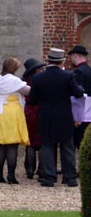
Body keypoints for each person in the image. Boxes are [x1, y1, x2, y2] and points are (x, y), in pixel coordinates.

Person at [28, 47, 84, 187]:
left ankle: (49, 177)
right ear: (62, 61)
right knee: (67, 146)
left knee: (46, 146)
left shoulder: (37, 78)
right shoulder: (68, 76)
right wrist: (80, 89)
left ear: (48, 61)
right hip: (64, 115)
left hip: (45, 115)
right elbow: (77, 93)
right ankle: (70, 177)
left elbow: (32, 100)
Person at [0, 57, 31, 184]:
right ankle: (11, 175)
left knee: (2, 144)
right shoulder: (14, 80)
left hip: (0, 113)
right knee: (12, 145)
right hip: (13, 113)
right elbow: (28, 91)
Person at [21, 58, 46, 179]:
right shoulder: (40, 80)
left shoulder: (24, 81)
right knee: (41, 142)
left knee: (30, 143)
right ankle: (41, 170)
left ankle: (29, 170)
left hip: (28, 112)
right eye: (40, 68)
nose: (41, 70)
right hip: (39, 111)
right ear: (36, 69)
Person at [68, 44, 91, 148]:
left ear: (75, 55)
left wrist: (77, 117)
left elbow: (79, 96)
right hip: (89, 112)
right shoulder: (88, 70)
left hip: (82, 115)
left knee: (80, 145)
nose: (70, 59)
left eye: (71, 56)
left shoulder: (78, 72)